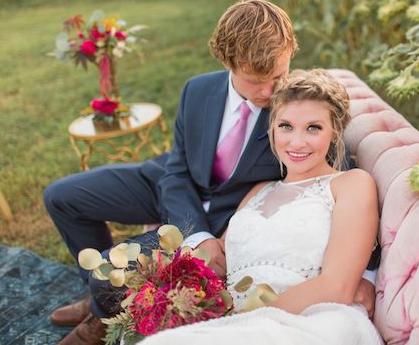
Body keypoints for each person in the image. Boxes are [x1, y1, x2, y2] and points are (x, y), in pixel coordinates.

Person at [44, 0, 379, 345]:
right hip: (173, 182)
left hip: (222, 217)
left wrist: (365, 274)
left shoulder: (294, 110)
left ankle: (101, 314)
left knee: (110, 272)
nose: (268, 91)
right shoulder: (198, 89)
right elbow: (177, 169)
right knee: (62, 198)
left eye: (277, 76)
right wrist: (195, 238)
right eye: (255, 80)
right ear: (226, 62)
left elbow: (341, 180)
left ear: (290, 53)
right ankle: (101, 300)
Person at [139, 69, 382, 344]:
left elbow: (338, 286)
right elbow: (220, 270)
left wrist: (245, 321)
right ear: (272, 128)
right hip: (238, 322)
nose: (297, 142)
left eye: (313, 127)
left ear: (334, 131)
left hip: (312, 319)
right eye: (286, 126)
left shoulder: (350, 184)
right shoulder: (258, 191)